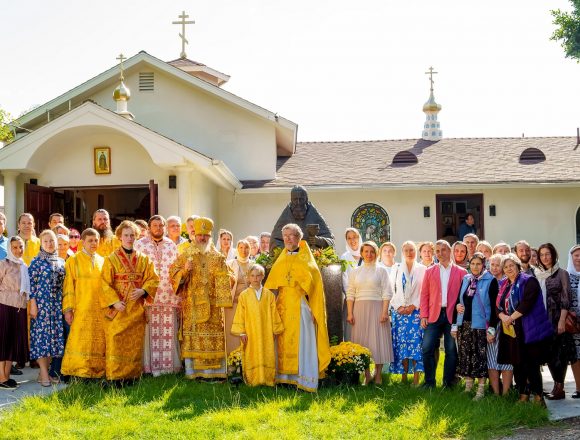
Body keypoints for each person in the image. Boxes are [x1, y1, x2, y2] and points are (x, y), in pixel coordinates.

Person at [264, 223, 331, 391]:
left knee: (302, 340)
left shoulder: (307, 261)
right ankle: (284, 378)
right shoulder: (281, 259)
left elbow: (315, 288)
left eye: (291, 235)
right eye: (285, 236)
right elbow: (271, 286)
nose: (287, 239)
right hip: (282, 305)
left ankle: (302, 378)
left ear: (299, 238)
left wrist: (314, 309)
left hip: (299, 304)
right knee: (281, 340)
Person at [170, 217, 232, 380]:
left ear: (210, 236)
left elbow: (229, 278)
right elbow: (173, 274)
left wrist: (224, 278)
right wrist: (184, 270)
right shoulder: (186, 255)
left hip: (213, 307)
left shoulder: (218, 257)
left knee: (214, 336)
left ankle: (215, 373)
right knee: (194, 335)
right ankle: (194, 372)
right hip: (192, 306)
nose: (202, 238)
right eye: (199, 235)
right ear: (194, 235)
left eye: (205, 235)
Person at [100, 220, 159, 382]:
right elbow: (104, 283)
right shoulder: (111, 259)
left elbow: (153, 279)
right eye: (126, 235)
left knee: (134, 344)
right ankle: (115, 377)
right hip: (119, 309)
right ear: (119, 236)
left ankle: (132, 376)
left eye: (132, 235)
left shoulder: (144, 259)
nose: (129, 238)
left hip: (136, 309)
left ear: (136, 236)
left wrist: (143, 290)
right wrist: (114, 302)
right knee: (116, 341)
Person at [496, 253, 552, 405]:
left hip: (528, 328)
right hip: (511, 330)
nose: (509, 269)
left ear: (517, 266)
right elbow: (498, 306)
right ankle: (523, 394)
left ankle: (539, 396)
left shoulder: (529, 281)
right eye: (506, 267)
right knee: (517, 363)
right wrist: (502, 316)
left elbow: (526, 304)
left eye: (511, 266)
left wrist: (510, 317)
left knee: (531, 363)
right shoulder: (503, 284)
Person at [134, 215, 181, 376]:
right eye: (155, 225)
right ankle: (150, 367)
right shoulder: (139, 245)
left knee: (167, 331)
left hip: (168, 296)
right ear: (149, 228)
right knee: (150, 333)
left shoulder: (171, 245)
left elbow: (176, 269)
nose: (159, 228)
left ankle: (167, 368)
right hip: (149, 295)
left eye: (161, 226)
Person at [420, 240, 467, 388]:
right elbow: (424, 295)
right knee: (427, 348)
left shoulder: (461, 272)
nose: (440, 253)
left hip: (452, 316)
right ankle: (429, 382)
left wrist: (461, 316)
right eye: (438, 251)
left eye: (443, 250)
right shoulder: (429, 271)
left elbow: (464, 296)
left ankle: (448, 383)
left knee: (451, 350)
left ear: (450, 251)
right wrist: (424, 315)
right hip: (433, 314)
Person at [452, 253, 499, 400]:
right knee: (466, 356)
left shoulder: (490, 280)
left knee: (479, 358)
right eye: (472, 264)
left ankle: (480, 390)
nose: (475, 267)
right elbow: (458, 301)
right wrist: (455, 321)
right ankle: (468, 386)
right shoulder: (466, 279)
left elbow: (494, 306)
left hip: (481, 326)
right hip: (465, 324)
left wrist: (491, 328)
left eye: (478, 264)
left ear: (483, 265)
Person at [61, 228, 106, 379]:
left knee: (97, 341)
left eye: (96, 240)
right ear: (82, 242)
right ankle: (77, 372)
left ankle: (96, 371)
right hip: (80, 307)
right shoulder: (73, 260)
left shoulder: (102, 260)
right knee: (79, 341)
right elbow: (68, 286)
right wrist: (68, 309)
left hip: (99, 309)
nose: (94, 243)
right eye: (90, 240)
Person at [346, 241, 393, 385]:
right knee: (362, 342)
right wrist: (350, 313)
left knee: (377, 340)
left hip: (377, 308)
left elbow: (387, 292)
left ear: (376, 253)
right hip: (359, 309)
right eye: (366, 251)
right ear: (361, 253)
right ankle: (367, 375)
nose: (369, 254)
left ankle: (378, 375)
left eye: (372, 251)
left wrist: (385, 312)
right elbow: (350, 293)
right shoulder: (355, 272)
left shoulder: (382, 271)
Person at [230, 264, 284, 386]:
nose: (255, 278)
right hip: (250, 332)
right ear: (248, 277)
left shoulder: (269, 295)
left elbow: (274, 313)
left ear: (262, 276)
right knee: (252, 353)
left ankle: (267, 379)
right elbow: (240, 314)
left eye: (258, 275)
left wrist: (275, 330)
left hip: (266, 331)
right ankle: (253, 379)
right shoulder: (244, 295)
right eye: (252, 276)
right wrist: (242, 332)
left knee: (267, 352)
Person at [536, 243, 574, 400]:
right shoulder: (537, 274)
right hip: (543, 320)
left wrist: (561, 321)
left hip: (557, 319)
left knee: (560, 355)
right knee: (549, 354)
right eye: (542, 254)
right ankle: (555, 386)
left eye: (548, 254)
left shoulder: (562, 273)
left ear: (553, 255)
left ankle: (560, 388)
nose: (545, 257)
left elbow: (566, 298)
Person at [28, 230, 66, 386]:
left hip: (56, 306)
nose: (49, 244)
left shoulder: (61, 261)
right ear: (41, 244)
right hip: (41, 305)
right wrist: (33, 305)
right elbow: (30, 286)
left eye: (52, 241)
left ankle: (43, 372)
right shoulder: (36, 262)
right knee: (41, 338)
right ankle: (44, 373)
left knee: (53, 340)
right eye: (46, 241)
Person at [390, 241, 426, 385]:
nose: (409, 253)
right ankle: (404, 376)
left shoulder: (423, 269)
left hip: (416, 312)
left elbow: (424, 291)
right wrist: (398, 306)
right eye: (406, 250)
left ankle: (416, 378)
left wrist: (414, 305)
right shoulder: (396, 268)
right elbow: (391, 289)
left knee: (416, 344)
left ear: (416, 251)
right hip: (399, 313)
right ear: (402, 252)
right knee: (402, 344)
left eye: (412, 250)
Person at [0, 237, 30, 389]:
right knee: (3, 341)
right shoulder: (4, 264)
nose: (18, 250)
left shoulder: (24, 266)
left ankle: (6, 376)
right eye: (15, 247)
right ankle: (1, 377)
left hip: (19, 308)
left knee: (11, 342)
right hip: (4, 306)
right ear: (9, 248)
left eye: (21, 247)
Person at [270, 185, 335, 250]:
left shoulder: (314, 215)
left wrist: (318, 240)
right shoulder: (285, 216)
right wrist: (289, 248)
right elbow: (274, 241)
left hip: (311, 257)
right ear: (291, 200)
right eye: (295, 199)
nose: (298, 203)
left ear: (306, 199)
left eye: (301, 199)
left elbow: (331, 241)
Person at [486, 253, 514, 395]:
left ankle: (506, 393)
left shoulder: (508, 282)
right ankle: (496, 393)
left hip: (507, 324)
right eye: (492, 265)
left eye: (498, 265)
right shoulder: (487, 281)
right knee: (491, 360)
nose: (495, 268)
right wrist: (490, 330)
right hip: (491, 325)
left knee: (507, 359)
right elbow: (490, 309)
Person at [225, 239, 252, 354]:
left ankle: (247, 360)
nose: (243, 250)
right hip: (233, 304)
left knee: (248, 331)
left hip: (249, 305)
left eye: (246, 248)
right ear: (237, 249)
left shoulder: (254, 265)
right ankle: (233, 361)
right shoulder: (230, 264)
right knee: (232, 333)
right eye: (240, 247)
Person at [566, 245, 580, 399]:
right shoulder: (567, 275)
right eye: (576, 255)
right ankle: (579, 388)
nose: (579, 258)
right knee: (576, 356)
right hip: (574, 323)